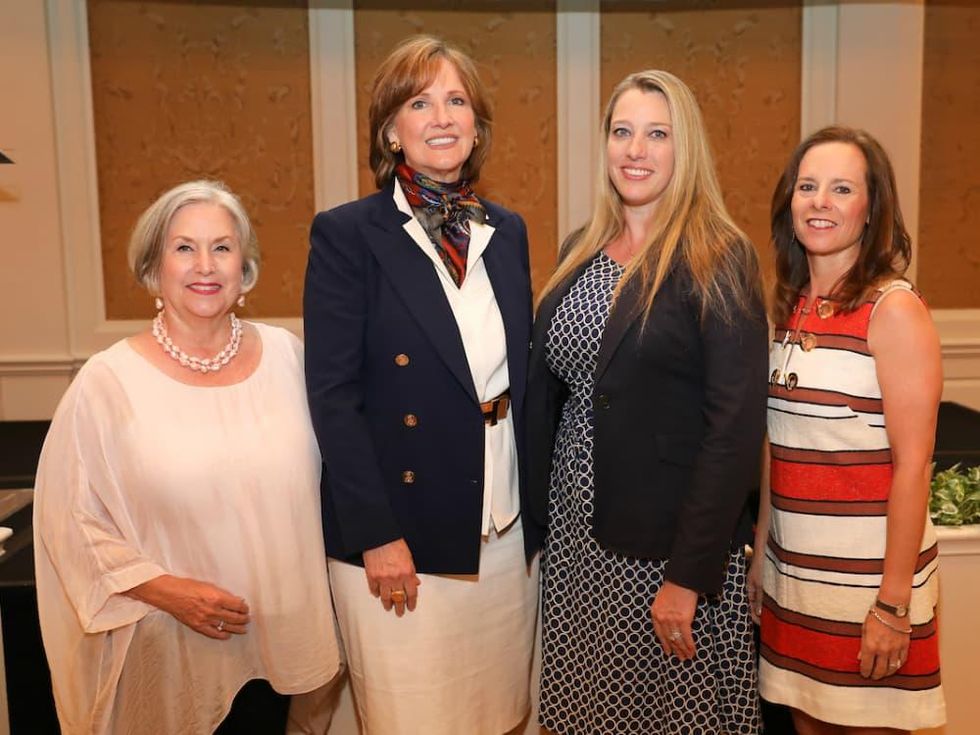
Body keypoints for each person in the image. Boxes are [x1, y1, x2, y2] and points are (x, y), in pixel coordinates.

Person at [33, 181, 340, 735]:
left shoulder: (288, 359)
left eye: (222, 247)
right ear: (153, 268)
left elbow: (335, 482)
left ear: (244, 269)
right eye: (184, 247)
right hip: (171, 643)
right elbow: (69, 521)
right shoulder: (107, 383)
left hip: (283, 648)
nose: (206, 265)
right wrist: (163, 589)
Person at [303, 35, 540, 735]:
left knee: (499, 715)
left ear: (477, 124)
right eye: (420, 101)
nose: (442, 116)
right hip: (405, 538)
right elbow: (333, 396)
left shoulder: (509, 230)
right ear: (391, 130)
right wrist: (377, 533)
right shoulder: (348, 234)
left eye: (457, 100)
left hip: (502, 534)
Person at [527, 69, 768, 734]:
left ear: (683, 147)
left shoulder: (718, 256)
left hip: (663, 549)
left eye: (656, 134)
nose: (636, 149)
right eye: (622, 131)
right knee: (589, 714)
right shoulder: (581, 248)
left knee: (668, 716)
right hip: (580, 542)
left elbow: (734, 429)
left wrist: (690, 576)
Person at [747, 126, 946, 733]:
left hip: (867, 591)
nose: (820, 202)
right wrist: (763, 554)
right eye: (808, 187)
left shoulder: (894, 311)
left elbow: (914, 467)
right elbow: (776, 446)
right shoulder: (789, 307)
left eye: (841, 189)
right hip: (797, 583)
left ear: (870, 210)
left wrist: (891, 604)